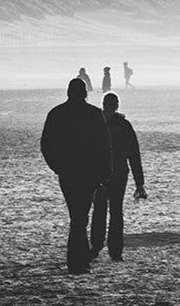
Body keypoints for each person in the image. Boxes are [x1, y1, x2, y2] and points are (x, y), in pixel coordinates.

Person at [39, 77, 112, 273]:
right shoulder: (94, 114)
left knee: (77, 215)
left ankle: (78, 259)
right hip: (88, 173)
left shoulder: (56, 114)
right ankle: (78, 260)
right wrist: (105, 172)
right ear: (85, 93)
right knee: (81, 216)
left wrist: (57, 166)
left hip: (68, 172)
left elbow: (46, 144)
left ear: (68, 92)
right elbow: (104, 146)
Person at [92, 92, 147, 261]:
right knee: (112, 211)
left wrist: (139, 183)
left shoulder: (99, 124)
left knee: (103, 211)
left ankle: (100, 248)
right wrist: (139, 183)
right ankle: (111, 251)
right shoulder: (122, 125)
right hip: (112, 174)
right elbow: (134, 155)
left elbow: (133, 154)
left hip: (106, 174)